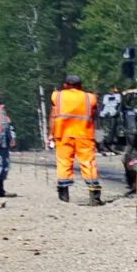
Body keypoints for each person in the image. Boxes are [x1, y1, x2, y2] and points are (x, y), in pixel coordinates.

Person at [50, 73, 101, 205]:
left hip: (63, 135)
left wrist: (50, 134)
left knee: (64, 163)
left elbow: (53, 116)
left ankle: (64, 196)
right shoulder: (90, 97)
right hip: (84, 135)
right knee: (88, 164)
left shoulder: (58, 95)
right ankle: (94, 196)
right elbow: (94, 115)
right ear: (80, 85)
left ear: (65, 85)